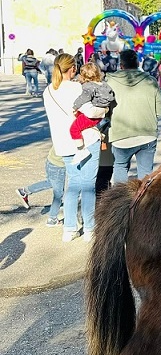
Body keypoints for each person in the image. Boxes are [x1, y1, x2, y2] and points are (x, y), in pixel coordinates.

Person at [43, 53, 100, 242]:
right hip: (86, 140)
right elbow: (91, 111)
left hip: (63, 143)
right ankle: (89, 228)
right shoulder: (77, 88)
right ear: (73, 68)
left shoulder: (48, 91)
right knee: (88, 185)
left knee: (73, 183)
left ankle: (69, 228)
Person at [106, 49, 161, 183]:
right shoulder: (151, 81)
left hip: (120, 135)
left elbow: (105, 109)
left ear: (121, 65)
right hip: (147, 134)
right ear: (138, 63)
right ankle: (143, 203)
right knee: (145, 174)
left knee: (120, 167)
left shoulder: (110, 82)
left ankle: (120, 202)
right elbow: (159, 112)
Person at [71, 62, 114, 167]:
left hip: (92, 116)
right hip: (101, 113)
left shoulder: (88, 87)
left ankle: (81, 150)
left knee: (74, 129)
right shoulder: (104, 85)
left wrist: (74, 106)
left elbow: (83, 99)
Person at [15, 145, 66, 227]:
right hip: (59, 166)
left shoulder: (62, 132)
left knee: (50, 182)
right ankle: (52, 219)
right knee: (58, 193)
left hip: (51, 161)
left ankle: (24, 191)